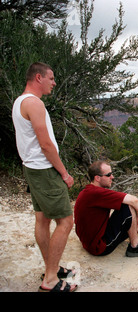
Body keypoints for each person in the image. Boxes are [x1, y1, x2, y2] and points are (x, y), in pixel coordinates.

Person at [12, 62, 77, 292]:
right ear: (38, 78)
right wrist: (64, 173)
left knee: (42, 220)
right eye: (51, 78)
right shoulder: (34, 103)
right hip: (44, 170)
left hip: (31, 168)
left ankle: (52, 267)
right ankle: (50, 280)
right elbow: (46, 144)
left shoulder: (20, 102)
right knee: (66, 221)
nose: (54, 82)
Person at [74, 160, 138, 258]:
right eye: (108, 175)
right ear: (97, 178)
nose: (112, 177)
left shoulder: (89, 191)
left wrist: (136, 218)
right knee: (128, 207)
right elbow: (133, 200)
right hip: (99, 246)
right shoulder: (96, 193)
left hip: (93, 239)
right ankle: (135, 246)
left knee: (127, 211)